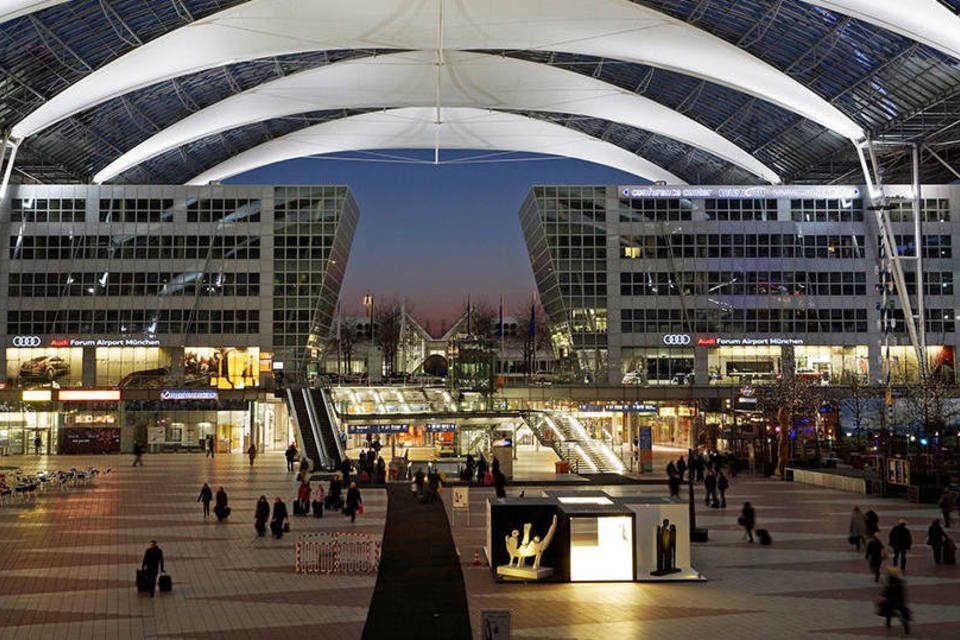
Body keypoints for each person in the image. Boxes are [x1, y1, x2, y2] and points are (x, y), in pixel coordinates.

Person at [877, 567, 910, 634]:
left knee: (889, 610)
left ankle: (889, 623)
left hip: (892, 600)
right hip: (898, 600)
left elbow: (886, 590)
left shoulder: (891, 582)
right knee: (898, 612)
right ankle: (904, 626)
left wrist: (883, 596)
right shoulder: (898, 582)